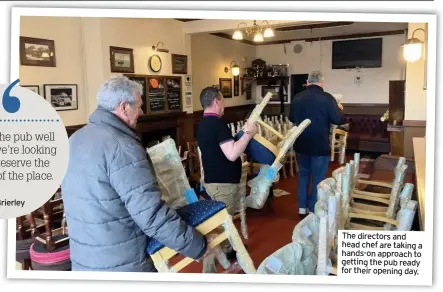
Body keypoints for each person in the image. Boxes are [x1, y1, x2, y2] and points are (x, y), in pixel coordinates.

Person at [61, 76, 209, 272]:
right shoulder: (122, 147)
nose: (141, 112)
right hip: (122, 262)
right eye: (139, 106)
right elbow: (150, 214)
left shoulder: (75, 138)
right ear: (124, 107)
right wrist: (198, 246)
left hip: (84, 258)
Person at [196, 86, 257, 272]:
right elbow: (231, 154)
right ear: (216, 101)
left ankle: (229, 251)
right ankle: (209, 274)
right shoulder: (217, 124)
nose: (224, 105)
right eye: (222, 100)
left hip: (212, 180)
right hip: (223, 184)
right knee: (219, 230)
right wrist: (248, 135)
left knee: (222, 223)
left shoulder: (202, 124)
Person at [289, 71, 344, 215]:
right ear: (322, 82)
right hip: (320, 144)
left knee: (303, 175)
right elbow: (337, 120)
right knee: (319, 177)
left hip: (301, 143)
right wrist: (339, 109)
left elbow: (291, 118)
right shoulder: (327, 98)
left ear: (307, 82)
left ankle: (301, 207)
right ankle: (313, 208)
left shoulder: (297, 97)